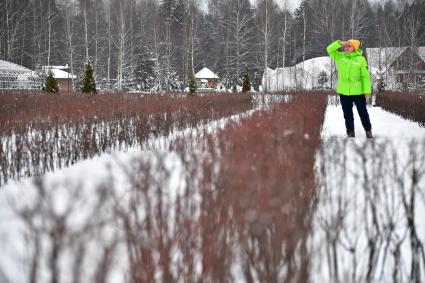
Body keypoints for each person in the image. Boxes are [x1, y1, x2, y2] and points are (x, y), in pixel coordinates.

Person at [327, 39, 373, 138]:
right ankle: (350, 132)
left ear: (355, 48)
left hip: (358, 92)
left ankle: (368, 130)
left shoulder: (361, 59)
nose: (346, 48)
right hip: (344, 92)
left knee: (363, 112)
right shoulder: (340, 56)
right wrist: (340, 43)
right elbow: (329, 50)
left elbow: (365, 76)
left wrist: (366, 91)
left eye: (349, 46)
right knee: (347, 114)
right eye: (346, 46)